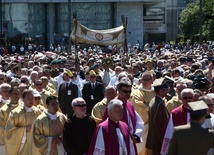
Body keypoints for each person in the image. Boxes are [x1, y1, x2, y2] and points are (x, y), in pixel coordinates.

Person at [103, 77, 144, 144]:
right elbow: (106, 126)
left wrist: (136, 135)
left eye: (129, 91)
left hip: (131, 142)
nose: (127, 94)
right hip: (117, 142)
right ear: (118, 91)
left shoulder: (130, 105)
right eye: (125, 91)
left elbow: (139, 121)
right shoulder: (112, 105)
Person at [4, 89, 42, 155]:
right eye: (28, 98)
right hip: (21, 144)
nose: (31, 100)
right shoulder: (16, 113)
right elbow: (9, 131)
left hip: (36, 144)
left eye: (32, 98)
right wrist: (24, 129)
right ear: (23, 99)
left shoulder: (38, 112)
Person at [161, 88, 194, 155]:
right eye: (185, 98)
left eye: (190, 97)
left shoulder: (199, 111)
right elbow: (170, 131)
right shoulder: (175, 113)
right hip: (180, 146)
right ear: (181, 98)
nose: (188, 100)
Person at [131, 71, 155, 154]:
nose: (144, 81)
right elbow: (138, 106)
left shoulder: (155, 91)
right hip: (145, 124)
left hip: (154, 124)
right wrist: (153, 115)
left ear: (152, 80)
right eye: (143, 79)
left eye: (147, 79)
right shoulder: (137, 92)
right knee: (142, 147)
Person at [146, 77, 170, 155]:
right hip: (158, 141)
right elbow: (160, 126)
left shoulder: (154, 101)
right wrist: (164, 143)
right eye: (166, 90)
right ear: (161, 91)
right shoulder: (159, 104)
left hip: (155, 140)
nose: (167, 91)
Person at [0, 86, 21, 155]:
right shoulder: (3, 110)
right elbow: (1, 127)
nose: (17, 95)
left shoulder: (24, 107)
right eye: (15, 94)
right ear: (10, 95)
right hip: (8, 141)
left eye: (18, 93)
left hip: (22, 141)